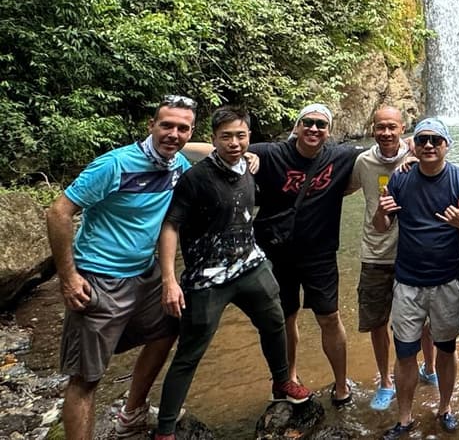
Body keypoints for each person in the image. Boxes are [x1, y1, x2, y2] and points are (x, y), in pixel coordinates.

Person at [153, 107, 312, 440]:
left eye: (241, 135)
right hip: (207, 277)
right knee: (190, 353)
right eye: (226, 136)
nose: (234, 142)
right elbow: (170, 225)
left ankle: (282, 382)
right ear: (213, 139)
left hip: (250, 265)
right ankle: (166, 429)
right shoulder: (195, 178)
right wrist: (169, 279)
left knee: (275, 321)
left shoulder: (249, 165)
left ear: (249, 138)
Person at [45, 95, 197, 440]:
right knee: (86, 377)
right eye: (166, 125)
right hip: (99, 278)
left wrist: (247, 154)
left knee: (167, 330)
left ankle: (132, 413)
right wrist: (68, 277)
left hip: (145, 275)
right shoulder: (114, 165)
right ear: (151, 126)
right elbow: (58, 212)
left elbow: (203, 151)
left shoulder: (177, 166)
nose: (173, 133)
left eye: (182, 128)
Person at [247, 103, 362, 406]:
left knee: (330, 317)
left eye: (321, 125)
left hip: (320, 253)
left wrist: (411, 154)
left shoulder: (341, 156)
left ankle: (341, 385)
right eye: (308, 123)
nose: (314, 128)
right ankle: (288, 379)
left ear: (329, 131)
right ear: (297, 127)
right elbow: (220, 146)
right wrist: (242, 155)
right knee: (284, 317)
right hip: (276, 251)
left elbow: (387, 153)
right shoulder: (269, 153)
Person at [374, 117, 459, 440]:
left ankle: (445, 408)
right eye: (422, 140)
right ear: (414, 146)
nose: (429, 146)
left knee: (446, 348)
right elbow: (382, 226)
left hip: (448, 280)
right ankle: (405, 418)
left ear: (447, 144)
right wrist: (382, 210)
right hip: (408, 282)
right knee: (405, 352)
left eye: (436, 140)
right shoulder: (400, 179)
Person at [353, 105, 436, 412]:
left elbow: (445, 177)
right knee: (377, 321)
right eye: (380, 127)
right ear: (372, 129)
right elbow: (342, 187)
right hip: (376, 253)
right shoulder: (363, 162)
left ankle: (430, 368)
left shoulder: (421, 153)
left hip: (414, 253)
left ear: (403, 128)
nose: (386, 132)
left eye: (392, 126)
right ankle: (386, 382)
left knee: (424, 319)